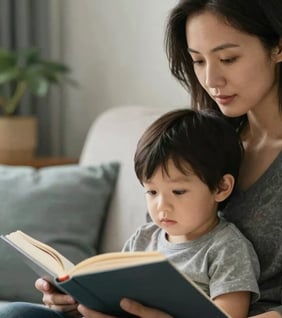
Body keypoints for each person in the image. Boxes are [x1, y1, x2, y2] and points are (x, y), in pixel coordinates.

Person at [1, 0, 282, 317]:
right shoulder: (203, 137)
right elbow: (157, 247)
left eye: (228, 58)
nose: (211, 79)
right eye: (197, 61)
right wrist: (80, 296)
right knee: (15, 313)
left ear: (280, 47)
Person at [0, 108, 260, 318]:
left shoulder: (227, 249)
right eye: (151, 192)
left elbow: (229, 316)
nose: (161, 206)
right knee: (14, 312)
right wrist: (75, 299)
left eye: (178, 192)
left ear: (221, 187)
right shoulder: (144, 237)